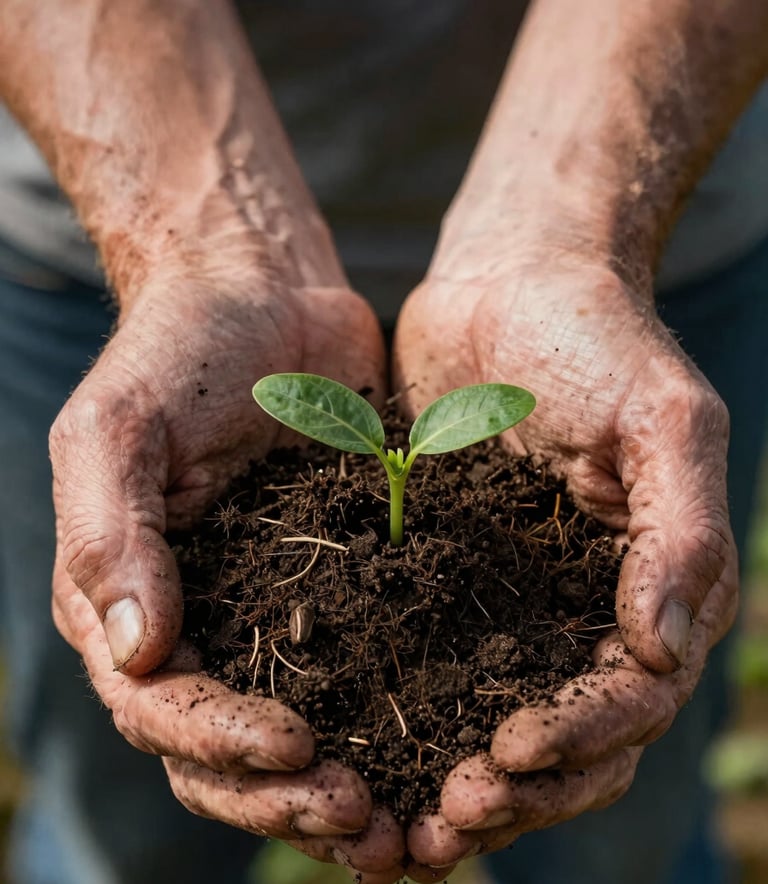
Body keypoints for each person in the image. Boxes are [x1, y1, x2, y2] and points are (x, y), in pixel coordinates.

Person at [0, 1, 766, 882]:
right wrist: (203, 251)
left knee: (623, 840)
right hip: (109, 227)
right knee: (123, 829)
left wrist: (568, 234)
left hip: (639, 230)